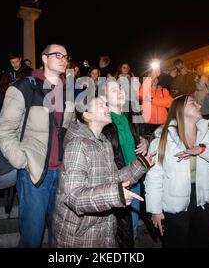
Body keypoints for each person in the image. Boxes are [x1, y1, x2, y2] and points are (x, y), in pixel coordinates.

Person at [0, 44, 75, 247]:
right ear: (44, 58)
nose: (63, 59)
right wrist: (22, 161)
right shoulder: (24, 87)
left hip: (63, 174)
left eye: (65, 56)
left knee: (59, 236)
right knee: (32, 236)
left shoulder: (69, 92)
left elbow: (71, 129)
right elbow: (3, 131)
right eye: (57, 55)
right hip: (35, 173)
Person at [52, 96, 155, 248]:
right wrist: (114, 195)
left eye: (106, 104)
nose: (107, 108)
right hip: (79, 237)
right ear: (87, 115)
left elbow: (114, 178)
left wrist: (140, 165)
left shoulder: (104, 143)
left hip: (103, 231)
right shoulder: (77, 145)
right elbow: (74, 196)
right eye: (101, 105)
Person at [145, 94, 209, 248]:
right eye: (192, 103)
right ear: (179, 110)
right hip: (174, 203)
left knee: (202, 243)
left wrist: (204, 150)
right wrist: (155, 210)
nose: (199, 105)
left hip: (204, 200)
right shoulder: (163, 139)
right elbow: (154, 177)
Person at [102, 80, 150, 247]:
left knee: (132, 226)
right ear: (105, 97)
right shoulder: (103, 121)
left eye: (121, 88)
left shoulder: (133, 115)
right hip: (116, 183)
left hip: (137, 180)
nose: (120, 91)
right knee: (116, 231)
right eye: (114, 90)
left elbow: (147, 134)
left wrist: (146, 142)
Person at [138, 69, 173, 137]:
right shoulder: (144, 91)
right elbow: (141, 94)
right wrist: (161, 101)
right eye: (150, 77)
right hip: (148, 123)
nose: (153, 79)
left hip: (163, 122)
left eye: (155, 77)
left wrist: (152, 99)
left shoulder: (163, 90)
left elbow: (170, 102)